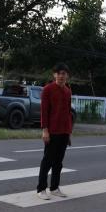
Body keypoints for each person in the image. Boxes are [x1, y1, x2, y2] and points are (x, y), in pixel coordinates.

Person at [37, 63, 73, 200]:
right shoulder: (48, 89)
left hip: (64, 131)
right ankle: (41, 189)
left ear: (67, 76)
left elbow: (68, 113)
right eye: (59, 73)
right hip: (52, 131)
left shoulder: (68, 91)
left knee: (59, 162)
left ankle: (54, 187)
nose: (61, 76)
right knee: (47, 160)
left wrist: (69, 132)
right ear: (54, 75)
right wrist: (45, 130)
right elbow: (44, 112)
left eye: (64, 73)